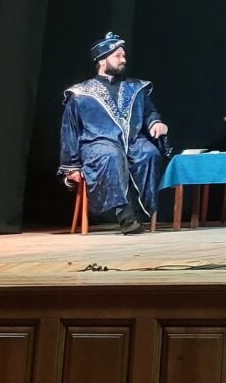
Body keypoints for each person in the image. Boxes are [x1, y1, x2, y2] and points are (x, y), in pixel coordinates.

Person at [58, 33, 169, 235]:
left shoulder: (136, 87)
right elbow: (70, 130)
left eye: (123, 55)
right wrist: (71, 166)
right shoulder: (80, 93)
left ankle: (141, 212)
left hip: (132, 141)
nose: (123, 59)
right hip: (97, 144)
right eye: (118, 56)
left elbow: (149, 112)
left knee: (149, 152)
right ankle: (126, 217)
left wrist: (157, 122)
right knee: (112, 155)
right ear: (102, 60)